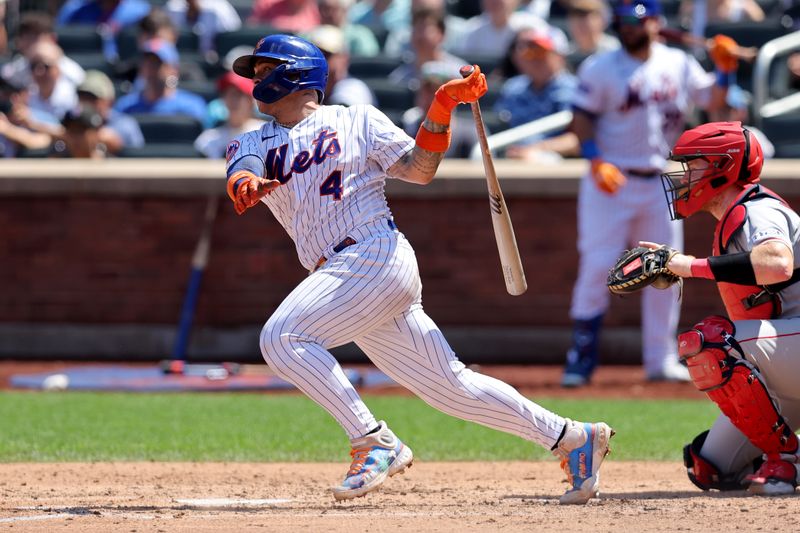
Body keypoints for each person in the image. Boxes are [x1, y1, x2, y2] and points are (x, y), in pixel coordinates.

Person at [224, 33, 614, 504]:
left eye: (265, 69)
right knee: (452, 389)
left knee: (281, 337)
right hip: (342, 276)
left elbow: (419, 168)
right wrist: (243, 182)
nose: (257, 79)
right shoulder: (253, 139)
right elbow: (242, 167)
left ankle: (373, 442)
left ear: (296, 72)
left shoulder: (356, 119)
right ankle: (574, 438)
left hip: (374, 254)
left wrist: (444, 103)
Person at [561, 0, 739, 387]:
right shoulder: (601, 66)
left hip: (661, 179)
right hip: (611, 179)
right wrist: (594, 159)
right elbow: (581, 118)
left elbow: (714, 101)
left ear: (656, 23)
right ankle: (581, 360)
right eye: (624, 23)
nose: (629, 29)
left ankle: (659, 360)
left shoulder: (677, 62)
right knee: (597, 267)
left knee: (665, 269)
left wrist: (726, 70)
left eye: (636, 22)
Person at [652, 120, 800, 495]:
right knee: (712, 467)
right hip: (790, 350)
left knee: (708, 341)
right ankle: (783, 457)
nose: (685, 175)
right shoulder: (733, 216)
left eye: (694, 165)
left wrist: (688, 265)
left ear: (724, 166)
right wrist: (677, 272)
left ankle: (788, 461)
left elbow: (777, 263)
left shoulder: (756, 210)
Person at [493, 26, 578, 162]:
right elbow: (499, 125)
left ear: (559, 56)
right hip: (509, 155)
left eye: (540, 51)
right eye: (528, 51)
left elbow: (577, 139)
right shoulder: (513, 88)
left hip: (554, 161)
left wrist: (537, 149)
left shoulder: (573, 89)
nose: (534, 58)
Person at [114, 38, 207, 123]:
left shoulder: (192, 107)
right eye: (147, 63)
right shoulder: (126, 107)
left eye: (157, 64)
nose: (151, 69)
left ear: (174, 69)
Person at [401, 61, 480, 158]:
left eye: (441, 91)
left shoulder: (470, 133)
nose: (433, 96)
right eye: (427, 89)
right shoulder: (404, 130)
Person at [387, 6, 466, 88]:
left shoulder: (459, 73)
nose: (419, 35)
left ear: (441, 34)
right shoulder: (399, 79)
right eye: (416, 28)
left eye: (424, 28)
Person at [1, 12, 85, 88]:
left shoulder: (71, 71)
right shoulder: (14, 70)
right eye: (24, 37)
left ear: (52, 39)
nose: (29, 43)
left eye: (34, 37)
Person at [194, 72, 265, 158]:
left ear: (251, 100)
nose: (233, 100)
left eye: (239, 95)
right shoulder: (208, 139)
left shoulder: (266, 132)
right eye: (229, 94)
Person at [304, 24, 376, 106]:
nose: (318, 60)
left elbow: (340, 116)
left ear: (344, 59)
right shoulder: (302, 87)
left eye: (325, 55)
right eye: (312, 55)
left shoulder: (354, 89)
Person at [76, 70, 144, 154]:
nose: (87, 103)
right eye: (83, 98)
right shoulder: (72, 122)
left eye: (93, 99)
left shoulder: (126, 125)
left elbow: (137, 159)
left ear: (110, 102)